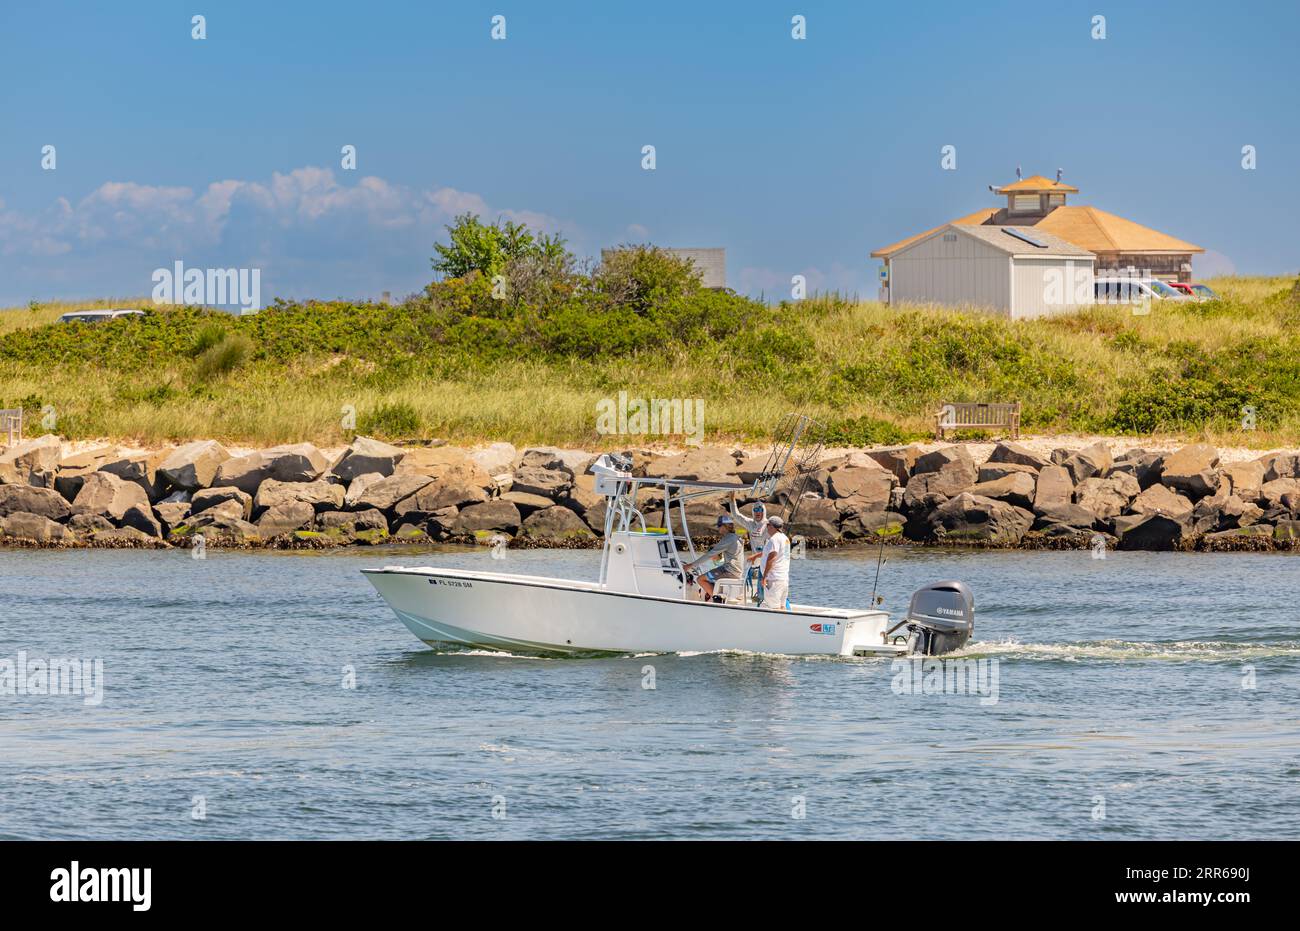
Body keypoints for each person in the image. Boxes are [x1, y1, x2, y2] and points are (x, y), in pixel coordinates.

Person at [684, 515, 745, 602]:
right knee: (709, 577)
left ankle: (717, 601)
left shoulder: (728, 539)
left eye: (719, 525)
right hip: (735, 571)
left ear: (725, 526)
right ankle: (716, 596)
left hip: (729, 571)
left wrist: (690, 565)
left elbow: (710, 554)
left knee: (700, 579)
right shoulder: (735, 537)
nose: (718, 527)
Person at [730, 493, 771, 600]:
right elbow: (736, 515)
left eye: (760, 510)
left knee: (765, 586)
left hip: (766, 561)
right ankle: (742, 595)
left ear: (764, 511)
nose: (758, 512)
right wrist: (732, 499)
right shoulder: (750, 524)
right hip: (754, 560)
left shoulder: (768, 525)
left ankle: (766, 598)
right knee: (746, 574)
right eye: (755, 510)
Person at [757, 514, 791, 610]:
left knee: (774, 609)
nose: (767, 527)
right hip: (783, 580)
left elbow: (771, 558)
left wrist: (764, 577)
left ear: (772, 526)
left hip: (774, 580)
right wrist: (755, 556)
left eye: (768, 525)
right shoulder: (785, 538)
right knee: (782, 607)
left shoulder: (774, 539)